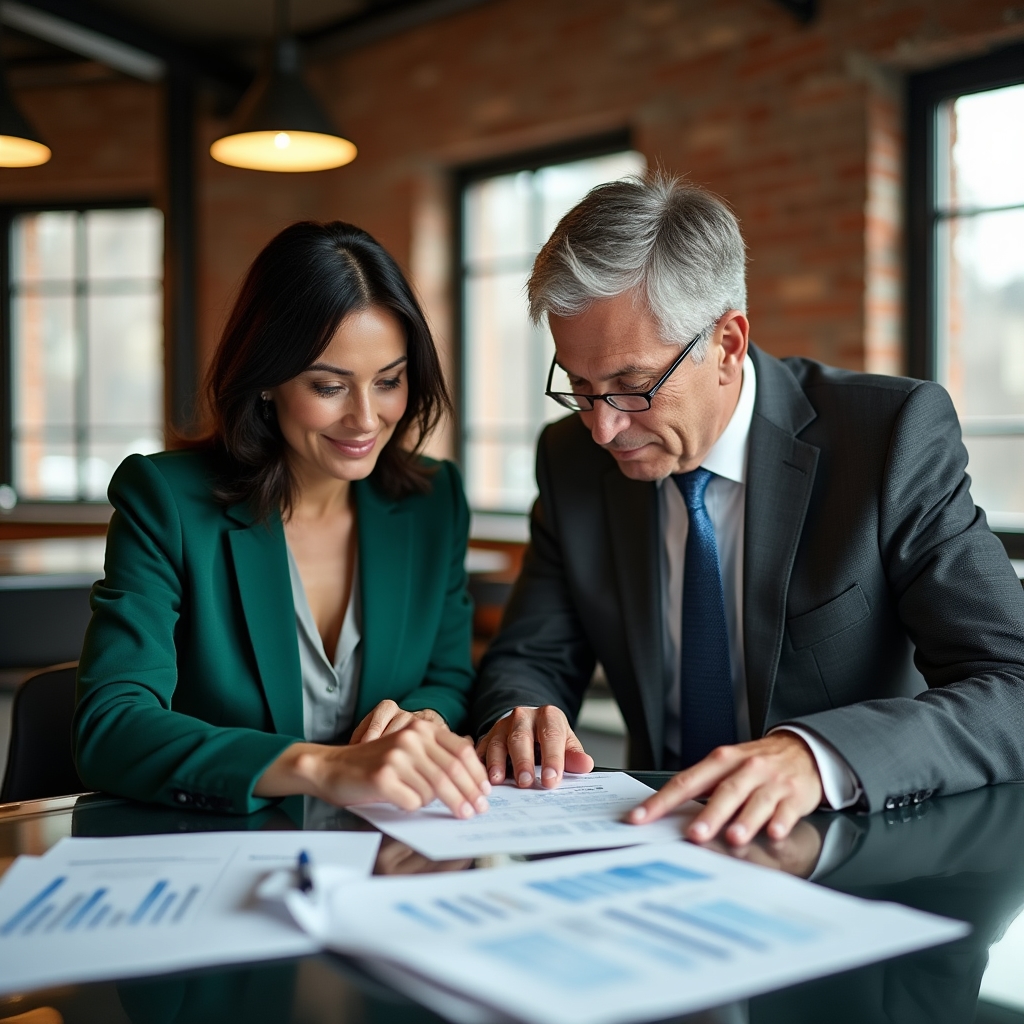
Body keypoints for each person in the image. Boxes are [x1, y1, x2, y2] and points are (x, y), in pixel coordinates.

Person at [472, 174, 1024, 845]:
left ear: (728, 344)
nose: (603, 430)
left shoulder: (887, 437)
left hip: (858, 862)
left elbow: (1011, 685)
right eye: (581, 389)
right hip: (652, 850)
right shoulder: (570, 460)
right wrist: (522, 717)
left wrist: (817, 758)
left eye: (633, 387)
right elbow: (530, 658)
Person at [75, 221, 490, 819]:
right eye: (329, 386)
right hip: (212, 852)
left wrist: (420, 721)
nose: (366, 419)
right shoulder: (163, 499)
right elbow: (110, 727)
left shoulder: (434, 500)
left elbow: (449, 678)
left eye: (389, 381)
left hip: (386, 850)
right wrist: (320, 767)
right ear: (268, 381)